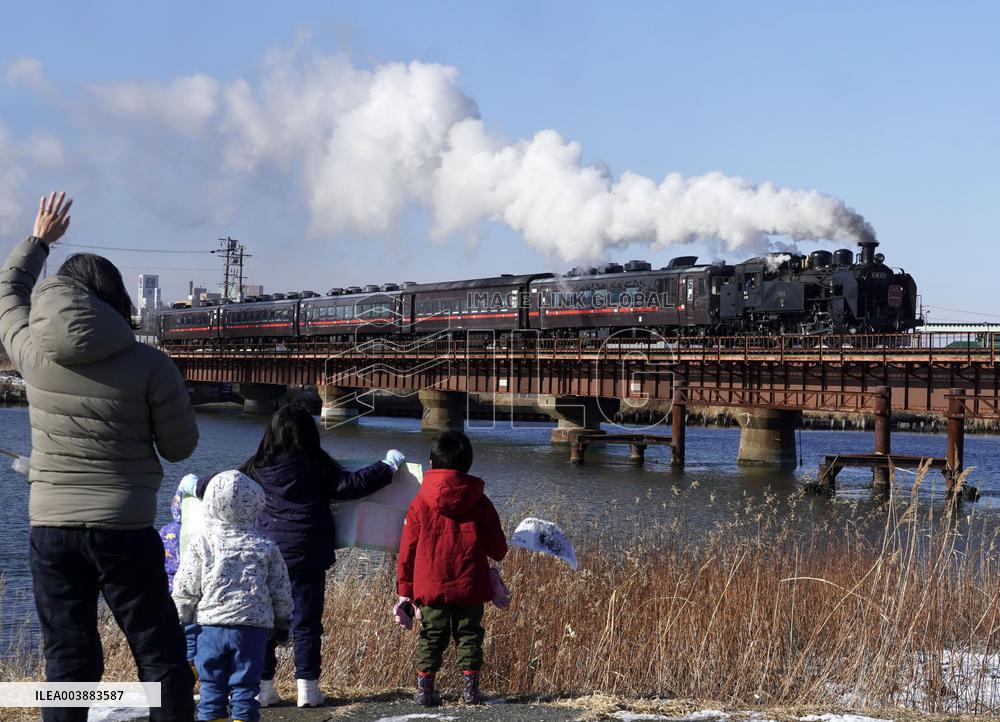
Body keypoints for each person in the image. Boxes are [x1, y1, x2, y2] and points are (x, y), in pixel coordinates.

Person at [0, 192, 199, 722]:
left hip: (51, 528)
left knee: (67, 661)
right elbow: (180, 448)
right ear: (116, 298)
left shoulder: (28, 350)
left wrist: (40, 240)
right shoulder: (151, 365)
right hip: (125, 528)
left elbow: (7, 292)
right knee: (160, 656)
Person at [238, 404, 404, 707]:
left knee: (264, 621)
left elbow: (226, 487)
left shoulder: (255, 468)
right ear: (308, 434)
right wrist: (388, 466)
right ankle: (308, 690)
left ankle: (263, 689)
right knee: (306, 622)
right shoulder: (314, 465)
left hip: (263, 556)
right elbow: (350, 485)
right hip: (306, 554)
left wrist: (195, 485)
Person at [396, 430, 508, 706]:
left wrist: (404, 590)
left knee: (431, 635)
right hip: (470, 583)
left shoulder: (420, 502)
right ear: (467, 464)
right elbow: (498, 549)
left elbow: (407, 550)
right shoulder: (480, 501)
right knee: (470, 633)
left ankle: (425, 689)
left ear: (431, 464)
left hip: (430, 585)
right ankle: (470, 690)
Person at [172, 470, 293, 722]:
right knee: (245, 691)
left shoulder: (201, 543)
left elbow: (185, 587)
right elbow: (281, 590)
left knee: (211, 689)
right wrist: (283, 624)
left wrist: (180, 619)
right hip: (251, 631)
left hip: (210, 629)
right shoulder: (265, 545)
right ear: (255, 505)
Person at [159, 474, 203, 669]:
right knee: (193, 632)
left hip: (168, 592)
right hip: (194, 593)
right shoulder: (202, 533)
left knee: (172, 634)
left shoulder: (164, 531)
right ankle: (193, 668)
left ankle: (177, 667)